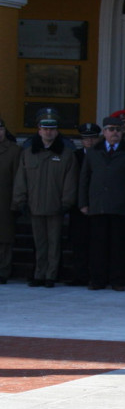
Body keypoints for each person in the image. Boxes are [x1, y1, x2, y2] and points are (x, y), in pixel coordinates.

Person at [13, 113, 78, 287]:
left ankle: (51, 275)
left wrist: (66, 203)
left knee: (54, 244)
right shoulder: (28, 153)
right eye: (45, 129)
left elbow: (70, 182)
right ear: (39, 131)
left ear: (57, 132)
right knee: (39, 243)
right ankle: (39, 274)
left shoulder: (66, 154)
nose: (48, 133)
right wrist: (21, 201)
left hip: (55, 207)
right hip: (34, 206)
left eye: (52, 129)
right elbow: (21, 179)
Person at [80, 117, 125, 291]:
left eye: (118, 129)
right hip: (98, 205)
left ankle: (118, 280)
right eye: (111, 129)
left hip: (120, 206)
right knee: (98, 245)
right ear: (104, 132)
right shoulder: (93, 151)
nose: (115, 132)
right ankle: (98, 279)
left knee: (119, 246)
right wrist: (83, 202)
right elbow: (85, 178)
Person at [67, 123, 101, 286]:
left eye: (93, 138)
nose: (89, 141)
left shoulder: (102, 154)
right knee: (78, 242)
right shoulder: (75, 156)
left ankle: (94, 275)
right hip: (77, 205)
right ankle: (79, 275)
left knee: (96, 243)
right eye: (86, 138)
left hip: (97, 204)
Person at [0, 118, 21, 284]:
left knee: (5, 239)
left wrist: (16, 202)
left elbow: (17, 179)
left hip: (5, 200)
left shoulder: (14, 151)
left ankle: (3, 271)